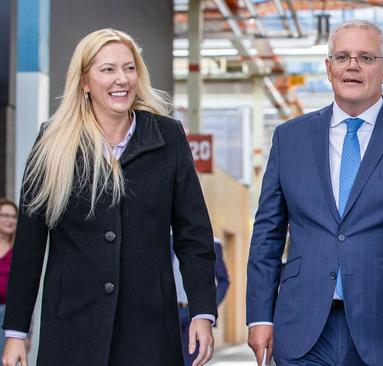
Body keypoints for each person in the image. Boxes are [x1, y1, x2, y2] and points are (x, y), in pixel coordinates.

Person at [246, 19, 383, 366]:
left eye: (366, 57)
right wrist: (260, 316)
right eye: (343, 56)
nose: (352, 66)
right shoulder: (289, 138)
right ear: (328, 68)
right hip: (303, 329)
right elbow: (267, 234)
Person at [1, 29, 217, 366]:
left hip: (149, 332)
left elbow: (194, 235)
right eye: (108, 70)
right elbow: (29, 245)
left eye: (129, 68)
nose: (122, 79)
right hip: (72, 331)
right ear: (85, 81)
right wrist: (16, 333)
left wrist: (203, 310)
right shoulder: (52, 142)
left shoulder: (167, 136)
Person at [173, 236, 230, 366]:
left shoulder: (213, 244)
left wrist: (208, 307)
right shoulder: (167, 239)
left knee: (191, 360)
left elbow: (223, 280)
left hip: (194, 313)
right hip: (170, 311)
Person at [0, 200, 18, 353]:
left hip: (7, 315)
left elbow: (25, 292)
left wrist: (27, 333)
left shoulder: (19, 252)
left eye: (13, 216)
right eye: (5, 215)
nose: (9, 220)